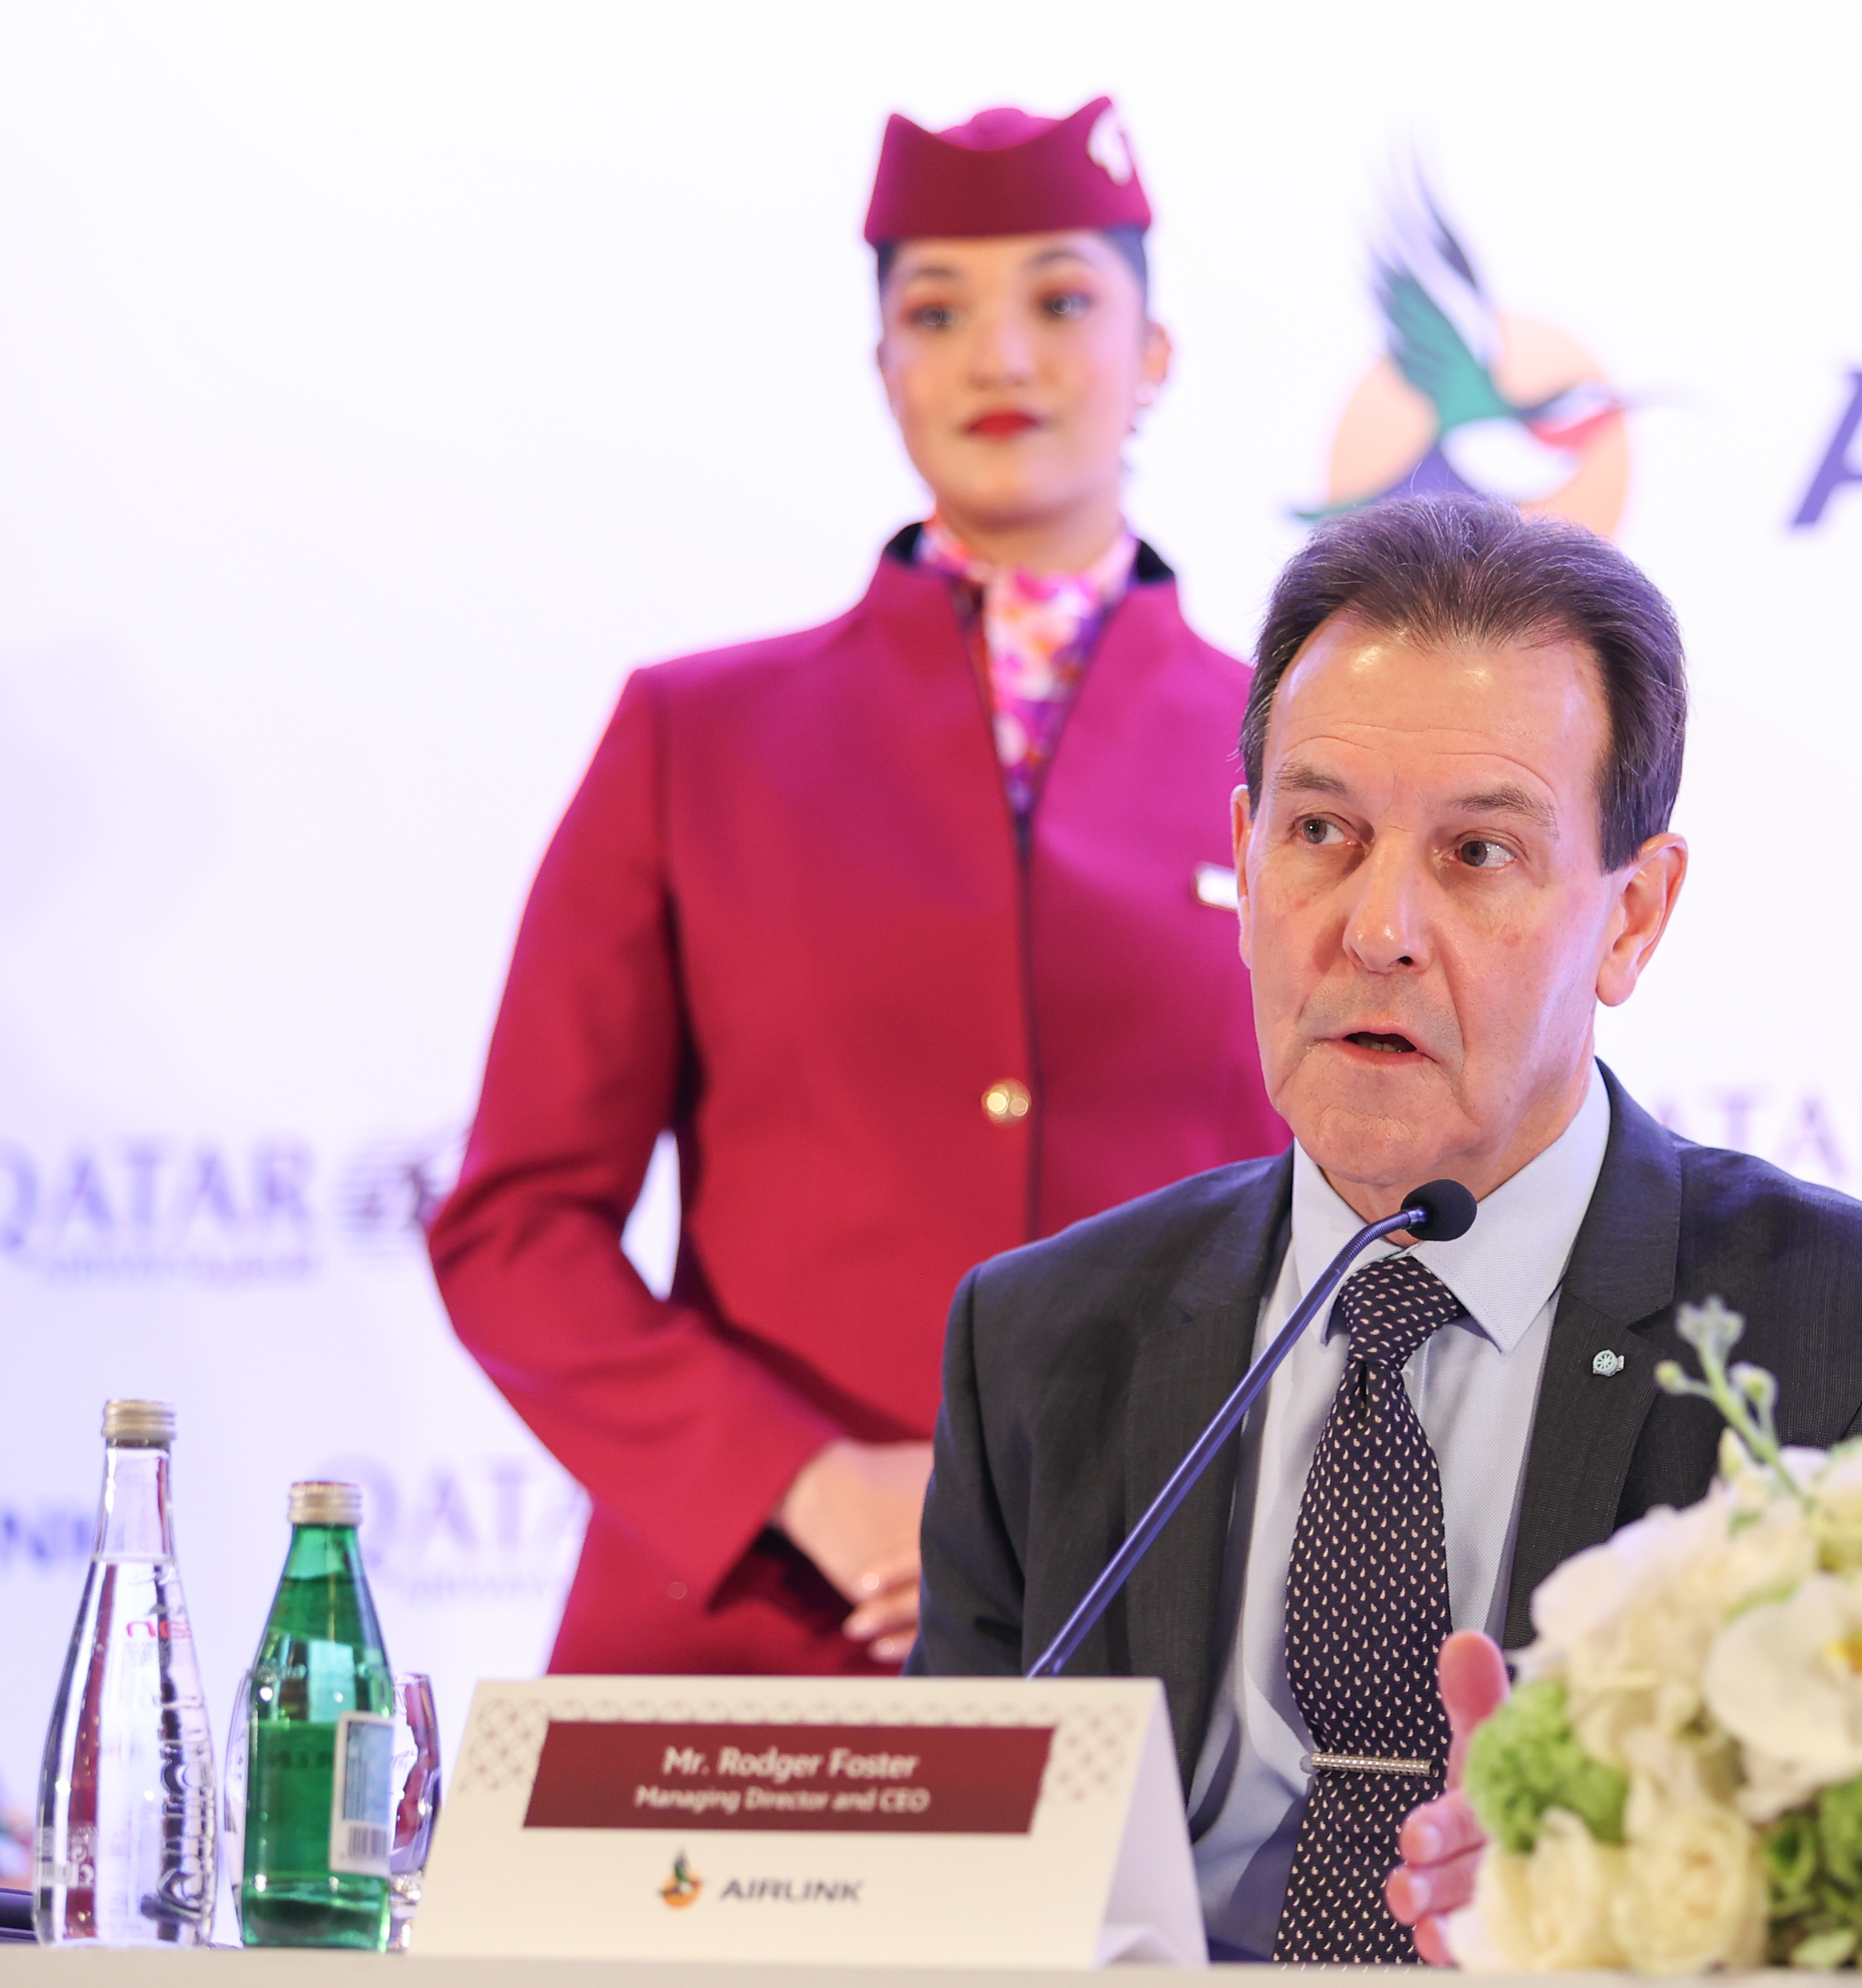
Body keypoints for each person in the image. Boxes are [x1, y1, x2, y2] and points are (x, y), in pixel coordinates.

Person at [911, 493, 1862, 1963]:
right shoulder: (1043, 1338)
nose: (1375, 928)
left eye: (1477, 854)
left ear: (1632, 918)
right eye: (1321, 832)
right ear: (1244, 860)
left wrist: (1618, 1899)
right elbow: (948, 1889)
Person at [430, 97, 1281, 1680]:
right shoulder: (696, 738)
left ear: (1155, 354)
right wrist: (801, 1483)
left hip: (1177, 1629)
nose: (1000, 357)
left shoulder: (1302, 758)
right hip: (758, 1636)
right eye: (936, 312)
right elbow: (515, 1229)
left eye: (1062, 300)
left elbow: (1390, 1214)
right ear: (881, 365)